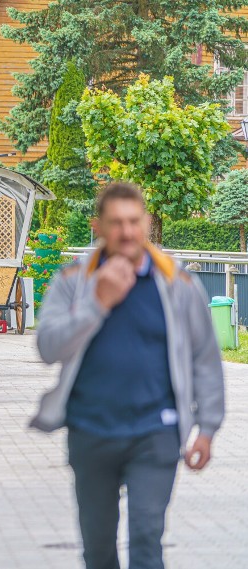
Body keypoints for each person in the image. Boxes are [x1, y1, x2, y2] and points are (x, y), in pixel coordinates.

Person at [31, 182, 225, 569]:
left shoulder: (177, 283)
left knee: (146, 537)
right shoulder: (74, 280)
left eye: (134, 221)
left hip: (156, 431)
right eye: (116, 222)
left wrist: (207, 427)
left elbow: (205, 357)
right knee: (98, 548)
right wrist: (96, 304)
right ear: (98, 227)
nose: (126, 231)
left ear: (147, 223)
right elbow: (48, 348)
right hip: (91, 430)